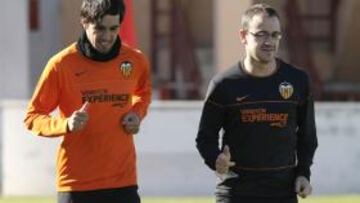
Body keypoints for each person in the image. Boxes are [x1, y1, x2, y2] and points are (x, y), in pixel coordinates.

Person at [24, 0, 151, 202]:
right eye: (99, 29)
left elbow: (143, 93)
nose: (107, 37)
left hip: (123, 183)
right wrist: (65, 124)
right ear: (84, 22)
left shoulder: (135, 60)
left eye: (113, 28)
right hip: (76, 185)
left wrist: (137, 113)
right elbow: (32, 117)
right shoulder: (61, 65)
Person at [196, 3, 318, 203]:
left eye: (275, 35)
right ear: (243, 36)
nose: (269, 41)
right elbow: (205, 138)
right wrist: (216, 159)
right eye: (261, 34)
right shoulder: (224, 84)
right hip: (235, 193)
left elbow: (307, 136)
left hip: (282, 193)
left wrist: (303, 173)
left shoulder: (298, 80)